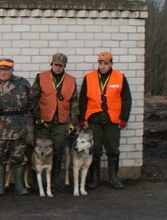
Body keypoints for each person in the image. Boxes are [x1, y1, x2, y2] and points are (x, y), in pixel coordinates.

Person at [78, 51, 132, 189]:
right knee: (95, 149)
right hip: (94, 119)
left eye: (106, 64)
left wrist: (123, 119)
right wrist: (82, 118)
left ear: (111, 64)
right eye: (100, 63)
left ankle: (113, 178)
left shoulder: (120, 77)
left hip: (112, 121)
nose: (103, 66)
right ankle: (94, 179)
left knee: (113, 149)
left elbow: (127, 100)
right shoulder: (89, 77)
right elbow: (83, 99)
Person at [0, 58, 34, 196]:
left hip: (18, 127)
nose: (3, 72)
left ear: (12, 70)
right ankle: (0, 185)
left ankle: (19, 186)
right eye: (1, 69)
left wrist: (21, 117)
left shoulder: (22, 83)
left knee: (19, 156)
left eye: (6, 69)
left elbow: (31, 102)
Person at [31, 53, 79, 190]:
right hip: (44, 121)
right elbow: (33, 99)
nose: (58, 68)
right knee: (40, 149)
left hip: (61, 122)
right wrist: (37, 117)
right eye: (56, 65)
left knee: (58, 150)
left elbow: (74, 102)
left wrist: (73, 121)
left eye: (61, 66)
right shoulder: (41, 77)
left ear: (64, 66)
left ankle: (55, 179)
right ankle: (37, 181)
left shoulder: (71, 80)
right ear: (51, 64)